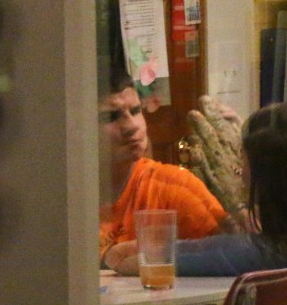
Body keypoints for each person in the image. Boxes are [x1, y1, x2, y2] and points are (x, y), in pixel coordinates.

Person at [105, 100, 287, 305]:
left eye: (242, 157)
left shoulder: (252, 254)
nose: (239, 171)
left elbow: (127, 261)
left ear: (263, 175)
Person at [98, 71, 231, 265]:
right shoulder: (60, 200)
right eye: (112, 117)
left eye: (135, 111)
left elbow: (230, 258)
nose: (132, 126)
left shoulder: (176, 186)